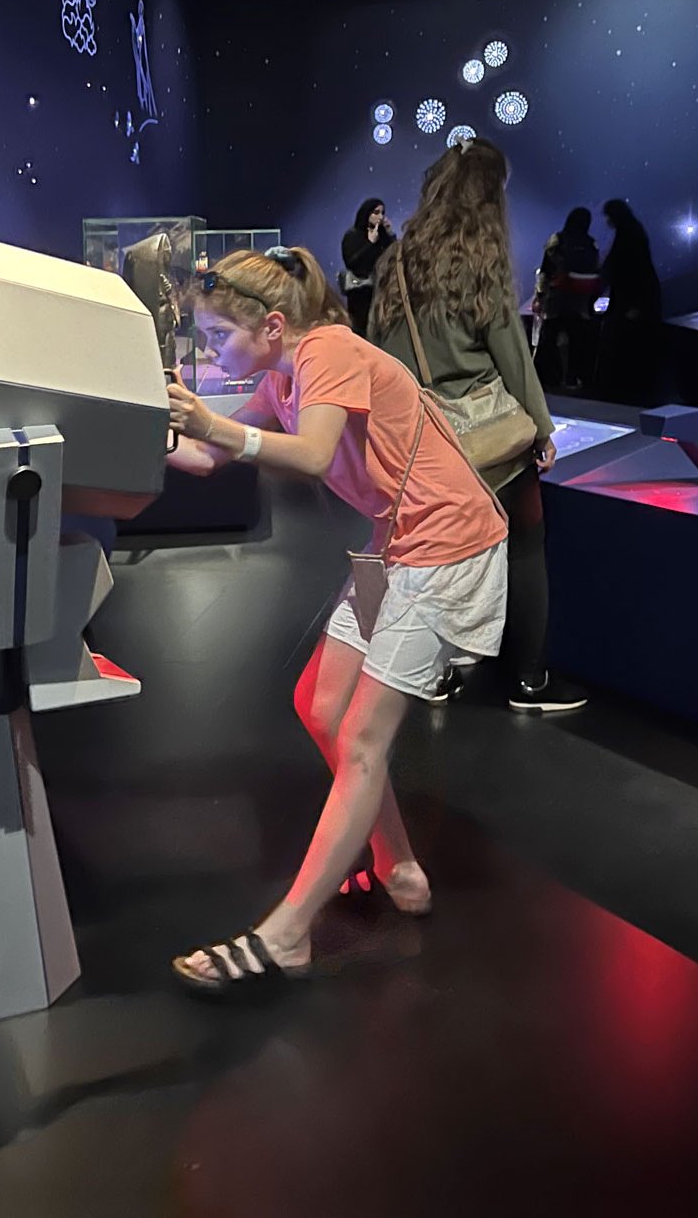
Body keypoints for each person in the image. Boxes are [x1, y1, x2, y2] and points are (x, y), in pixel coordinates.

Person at [164, 246, 508, 992]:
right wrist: (141, 422)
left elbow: (314, 456)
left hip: (448, 546)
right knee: (320, 706)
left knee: (359, 738)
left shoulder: (329, 351)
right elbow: (202, 458)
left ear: (275, 327)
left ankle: (286, 937)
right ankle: (399, 867)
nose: (211, 351)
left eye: (219, 334)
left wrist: (212, 426)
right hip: (397, 547)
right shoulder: (283, 376)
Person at [370, 137, 587, 715]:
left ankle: (430, 674)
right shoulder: (482, 262)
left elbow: (377, 350)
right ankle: (531, 681)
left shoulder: (394, 259)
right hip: (485, 442)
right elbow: (513, 357)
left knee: (422, 553)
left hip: (414, 437)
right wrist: (541, 429)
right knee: (527, 543)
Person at [595, 198, 663, 402]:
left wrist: (635, 305)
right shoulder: (632, 230)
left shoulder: (628, 234)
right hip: (637, 299)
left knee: (625, 346)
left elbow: (623, 267)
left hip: (633, 300)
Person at [532, 207, 601, 391]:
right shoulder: (591, 243)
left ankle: (546, 378)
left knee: (550, 337)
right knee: (578, 340)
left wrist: (539, 295)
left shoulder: (558, 239)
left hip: (558, 297)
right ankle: (574, 378)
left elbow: (546, 269)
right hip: (581, 300)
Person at [339, 198, 395, 335]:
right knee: (361, 330)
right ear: (367, 213)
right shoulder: (352, 235)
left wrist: (389, 234)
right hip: (360, 294)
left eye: (382, 213)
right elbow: (352, 262)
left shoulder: (382, 236)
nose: (380, 217)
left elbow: (393, 257)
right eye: (376, 212)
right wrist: (370, 243)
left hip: (379, 290)